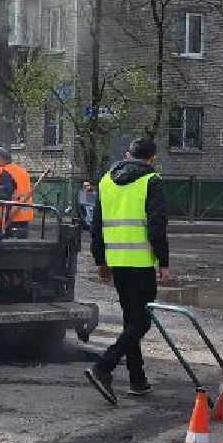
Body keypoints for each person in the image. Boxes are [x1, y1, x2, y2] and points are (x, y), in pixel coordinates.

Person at [84, 137, 170, 404]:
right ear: (152, 159)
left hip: (117, 262)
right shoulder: (151, 181)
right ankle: (104, 366)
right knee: (142, 321)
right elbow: (157, 226)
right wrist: (164, 263)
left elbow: (95, 224)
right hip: (142, 262)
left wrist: (100, 260)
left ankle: (137, 379)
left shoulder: (107, 181)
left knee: (131, 320)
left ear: (128, 154)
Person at [0, 146, 36, 236]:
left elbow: (5, 194)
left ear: (1, 158)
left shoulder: (5, 171)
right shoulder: (22, 171)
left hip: (12, 216)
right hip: (24, 216)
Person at [76, 181, 97, 252]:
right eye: (84, 186)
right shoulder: (82, 195)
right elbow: (81, 209)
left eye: (87, 185)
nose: (85, 187)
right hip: (87, 222)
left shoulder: (95, 195)